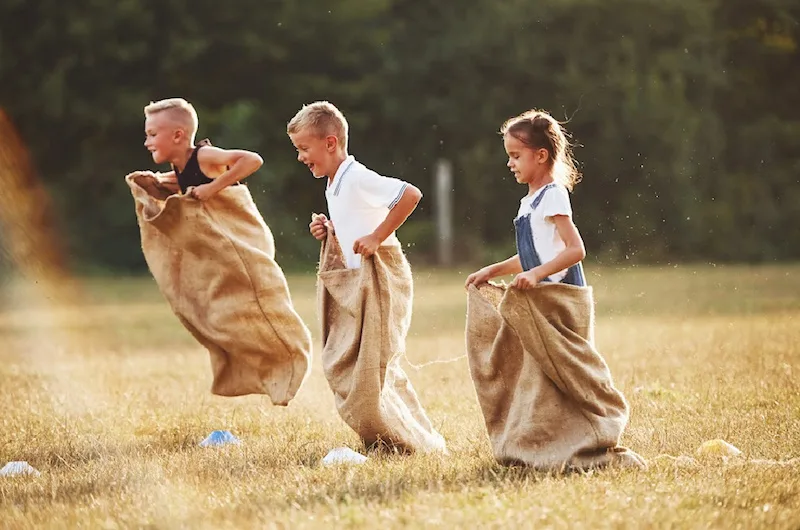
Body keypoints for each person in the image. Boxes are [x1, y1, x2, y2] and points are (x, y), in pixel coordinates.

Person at [464, 109, 644, 470]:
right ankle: (549, 443)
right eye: (509, 156)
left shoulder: (553, 195)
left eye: (516, 156)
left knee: (569, 374)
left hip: (561, 300)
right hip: (539, 300)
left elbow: (574, 249)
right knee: (543, 380)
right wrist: (494, 269)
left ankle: (594, 436)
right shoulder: (528, 201)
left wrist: (538, 276)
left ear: (540, 155)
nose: (510, 164)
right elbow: (534, 252)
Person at [287, 101, 446, 453]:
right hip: (360, 286)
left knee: (375, 368)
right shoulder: (333, 184)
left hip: (383, 281)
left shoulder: (355, 177)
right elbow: (353, 224)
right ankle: (398, 435)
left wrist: (377, 236)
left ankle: (403, 441)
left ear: (331, 143)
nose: (300, 157)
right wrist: (329, 229)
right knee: (366, 368)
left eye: (304, 148)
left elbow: (409, 194)